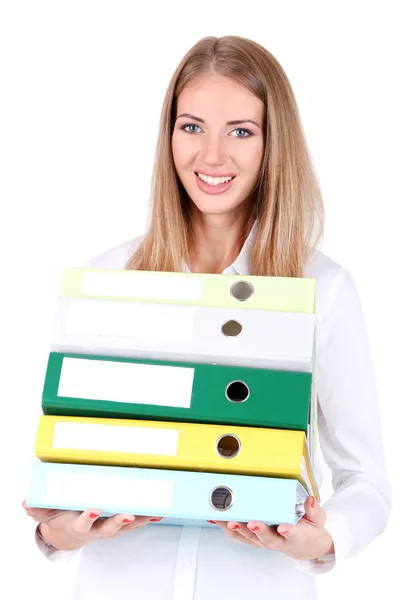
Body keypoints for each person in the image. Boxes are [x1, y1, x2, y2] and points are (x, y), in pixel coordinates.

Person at [23, 35, 392, 599]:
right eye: (192, 127)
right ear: (169, 135)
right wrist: (58, 533)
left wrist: (320, 541)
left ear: (273, 144)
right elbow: (66, 458)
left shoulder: (324, 290)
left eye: (240, 131)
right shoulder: (108, 278)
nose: (212, 156)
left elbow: (367, 482)